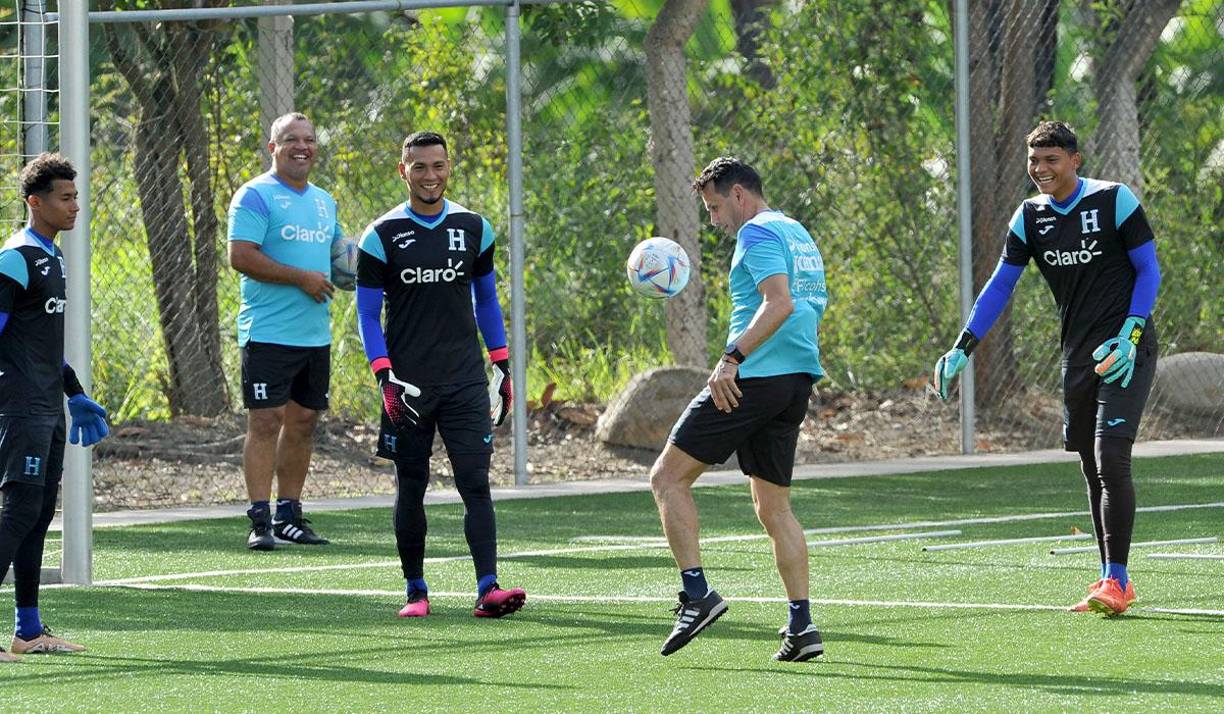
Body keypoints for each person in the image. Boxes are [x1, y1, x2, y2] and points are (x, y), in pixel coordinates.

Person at [933, 120, 1161, 616]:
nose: (1040, 170)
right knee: (1088, 464)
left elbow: (1149, 270)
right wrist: (962, 348)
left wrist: (1132, 333)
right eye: (1034, 161)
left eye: (1051, 160)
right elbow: (999, 286)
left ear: (1074, 160)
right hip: (1077, 357)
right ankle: (1110, 579)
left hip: (1127, 351)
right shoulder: (1030, 217)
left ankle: (1117, 581)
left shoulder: (1114, 200)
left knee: (1110, 458)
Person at [650, 157, 828, 662]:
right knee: (774, 507)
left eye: (714, 207)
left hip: (752, 380)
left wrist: (731, 359)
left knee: (666, 479)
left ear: (739, 196)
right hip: (794, 381)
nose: (714, 220)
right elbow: (811, 306)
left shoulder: (757, 234)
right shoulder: (798, 233)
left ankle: (696, 594)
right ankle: (802, 628)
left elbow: (780, 304)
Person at [355, 131, 525, 619]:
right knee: (411, 483)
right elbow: (367, 315)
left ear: (450, 168)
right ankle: (416, 590)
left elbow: (486, 300)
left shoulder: (474, 227)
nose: (430, 176)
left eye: (438, 166)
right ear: (402, 170)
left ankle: (488, 587)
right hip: (406, 386)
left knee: (476, 483)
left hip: (465, 381)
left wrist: (501, 364)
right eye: (419, 167)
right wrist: (384, 377)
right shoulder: (380, 236)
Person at [0, 153, 109, 661]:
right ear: (34, 202)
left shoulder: (54, 257)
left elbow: (42, 343)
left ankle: (28, 629)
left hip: (47, 407)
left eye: (75, 196)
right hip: (19, 409)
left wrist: (74, 392)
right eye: (65, 198)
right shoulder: (16, 256)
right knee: (18, 511)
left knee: (39, 513)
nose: (75, 207)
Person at [228, 112, 342, 550]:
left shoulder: (323, 201)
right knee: (265, 421)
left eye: (309, 139)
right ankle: (260, 520)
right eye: (290, 139)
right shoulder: (256, 196)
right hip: (268, 331)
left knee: (304, 422)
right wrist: (301, 278)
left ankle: (290, 514)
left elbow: (337, 255)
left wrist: (350, 268)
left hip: (314, 334)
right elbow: (241, 256)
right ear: (272, 147)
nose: (302, 147)